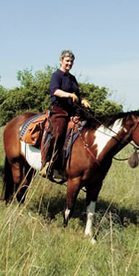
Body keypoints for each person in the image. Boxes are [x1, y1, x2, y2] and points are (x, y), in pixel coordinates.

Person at [40, 50, 90, 180]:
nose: (69, 63)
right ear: (61, 61)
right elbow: (55, 91)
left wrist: (82, 99)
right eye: (67, 61)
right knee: (59, 134)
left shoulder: (72, 78)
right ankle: (48, 164)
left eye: (71, 62)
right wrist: (68, 95)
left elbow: (76, 95)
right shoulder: (56, 76)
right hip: (59, 111)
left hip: (72, 111)